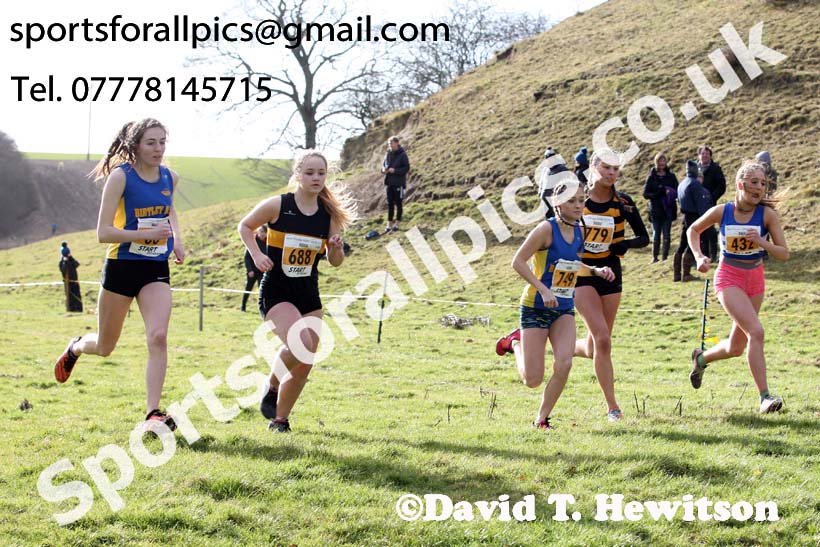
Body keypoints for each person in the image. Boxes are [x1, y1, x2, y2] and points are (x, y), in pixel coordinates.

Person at [53, 118, 184, 431]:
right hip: (121, 267)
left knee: (159, 336)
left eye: (163, 142)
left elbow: (169, 209)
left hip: (155, 267)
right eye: (151, 142)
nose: (158, 148)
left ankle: (153, 412)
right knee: (105, 346)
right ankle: (76, 347)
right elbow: (103, 232)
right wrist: (144, 234)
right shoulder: (120, 177)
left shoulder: (170, 176)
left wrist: (177, 240)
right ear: (136, 144)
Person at [238, 149, 355, 433]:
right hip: (277, 290)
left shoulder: (329, 215)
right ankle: (272, 384)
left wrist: (336, 248)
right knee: (299, 342)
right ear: (297, 175)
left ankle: (280, 420)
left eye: (321, 173)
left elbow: (335, 262)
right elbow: (245, 226)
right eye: (310, 173)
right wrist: (256, 254)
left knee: (306, 360)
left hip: (308, 293)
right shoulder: (278, 205)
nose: (316, 178)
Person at [495, 184, 614, 429]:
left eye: (582, 200)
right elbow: (517, 262)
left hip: (563, 308)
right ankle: (515, 343)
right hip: (535, 306)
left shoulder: (581, 230)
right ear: (557, 203)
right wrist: (542, 288)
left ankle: (541, 419)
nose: (579, 205)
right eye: (572, 201)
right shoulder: (545, 230)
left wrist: (595, 271)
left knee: (565, 363)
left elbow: (573, 263)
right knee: (533, 379)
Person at [686, 159, 789, 413]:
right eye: (754, 182)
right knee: (757, 332)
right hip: (728, 278)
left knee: (736, 347)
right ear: (741, 184)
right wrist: (699, 257)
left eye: (763, 183)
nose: (760, 188)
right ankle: (765, 397)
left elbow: (784, 254)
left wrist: (763, 243)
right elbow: (693, 230)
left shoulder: (767, 215)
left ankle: (700, 359)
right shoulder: (723, 211)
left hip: (755, 280)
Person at [572, 151, 649, 421]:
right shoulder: (578, 199)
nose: (611, 173)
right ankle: (613, 408)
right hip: (581, 274)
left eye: (616, 169)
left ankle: (560, 342)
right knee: (603, 339)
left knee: (596, 347)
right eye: (606, 167)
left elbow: (644, 237)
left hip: (611, 274)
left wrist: (624, 244)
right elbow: (558, 228)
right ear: (594, 167)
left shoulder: (624, 203)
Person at [673, 160, 712, 282]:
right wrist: (705, 220)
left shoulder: (682, 183)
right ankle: (686, 273)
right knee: (691, 243)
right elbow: (701, 204)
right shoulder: (694, 184)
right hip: (694, 217)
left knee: (682, 245)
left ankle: (677, 274)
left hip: (685, 216)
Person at [642, 152, 678, 263]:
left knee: (666, 235)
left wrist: (670, 193)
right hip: (655, 210)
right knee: (656, 235)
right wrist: (659, 193)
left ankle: (665, 257)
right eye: (659, 161)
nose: (662, 163)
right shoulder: (651, 177)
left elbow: (677, 191)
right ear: (656, 163)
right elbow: (645, 194)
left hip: (667, 209)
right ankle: (654, 257)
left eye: (663, 161)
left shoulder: (671, 177)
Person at [697, 145, 726, 261]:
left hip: (709, 203)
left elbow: (721, 186)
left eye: (707, 154)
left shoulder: (715, 169)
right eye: (702, 153)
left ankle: (713, 254)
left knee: (710, 229)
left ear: (710, 156)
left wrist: (712, 197)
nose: (704, 156)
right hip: (696, 204)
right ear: (699, 155)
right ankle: (702, 254)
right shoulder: (694, 168)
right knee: (698, 229)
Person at [381, 136, 409, 233]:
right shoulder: (387, 154)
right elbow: (383, 166)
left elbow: (406, 168)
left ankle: (397, 224)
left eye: (391, 143)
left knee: (398, 203)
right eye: (389, 144)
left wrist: (395, 170)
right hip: (389, 183)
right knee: (390, 204)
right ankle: (389, 225)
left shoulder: (403, 154)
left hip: (399, 183)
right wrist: (384, 170)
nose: (390, 146)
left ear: (397, 143)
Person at [241, 226, 267, 312]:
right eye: (261, 232)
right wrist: (249, 270)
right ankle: (243, 306)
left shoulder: (267, 243)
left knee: (261, 290)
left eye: (264, 232)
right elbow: (247, 258)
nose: (263, 234)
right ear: (258, 232)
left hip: (262, 271)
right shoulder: (253, 241)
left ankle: (261, 308)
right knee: (248, 288)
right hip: (252, 271)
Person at [58, 241, 83, 312]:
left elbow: (77, 264)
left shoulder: (71, 260)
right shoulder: (61, 262)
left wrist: (71, 257)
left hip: (74, 281)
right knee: (70, 297)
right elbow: (63, 270)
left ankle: (79, 309)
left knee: (77, 296)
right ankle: (71, 310)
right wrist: (65, 262)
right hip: (67, 282)